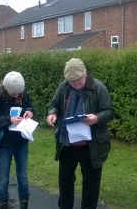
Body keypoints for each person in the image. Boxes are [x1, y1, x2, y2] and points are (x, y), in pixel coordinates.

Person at [46, 58, 115, 209]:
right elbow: (54, 104)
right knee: (65, 181)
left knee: (90, 185)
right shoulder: (63, 86)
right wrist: (52, 114)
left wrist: (96, 118)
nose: (76, 83)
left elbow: (110, 112)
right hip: (67, 144)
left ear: (85, 74)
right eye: (72, 81)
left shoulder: (98, 87)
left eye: (78, 80)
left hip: (91, 146)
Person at [0, 71, 35, 209]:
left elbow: (29, 105)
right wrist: (8, 120)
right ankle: (3, 204)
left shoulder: (21, 92)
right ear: (6, 89)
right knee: (4, 176)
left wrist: (30, 111)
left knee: (22, 175)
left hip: (21, 142)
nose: (17, 96)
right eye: (13, 94)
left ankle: (24, 203)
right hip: (3, 144)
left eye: (19, 93)